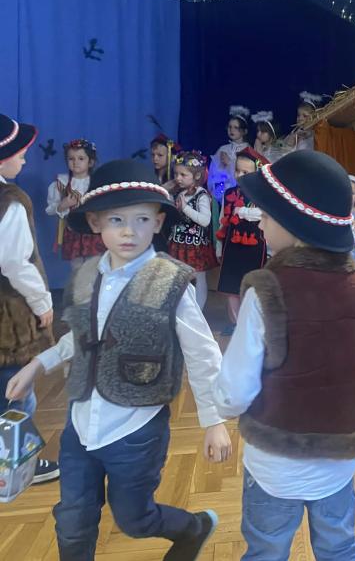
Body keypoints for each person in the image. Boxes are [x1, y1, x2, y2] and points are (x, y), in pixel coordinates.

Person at [6, 159, 232, 561]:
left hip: (136, 429)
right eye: (116, 220)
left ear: (158, 223)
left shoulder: (171, 281)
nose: (129, 231)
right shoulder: (85, 276)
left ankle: (192, 528)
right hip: (80, 424)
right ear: (95, 224)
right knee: (72, 519)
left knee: (134, 518)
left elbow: (203, 354)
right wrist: (38, 364)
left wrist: (213, 421)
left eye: (141, 219)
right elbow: (80, 335)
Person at [213, 150, 355, 560]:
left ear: (292, 224)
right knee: (339, 548)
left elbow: (234, 392)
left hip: (274, 466)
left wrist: (218, 407)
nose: (260, 222)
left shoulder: (266, 291)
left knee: (266, 551)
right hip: (339, 463)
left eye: (266, 214)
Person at [0, 113, 60, 484]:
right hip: (7, 320)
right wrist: (42, 304)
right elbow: (14, 262)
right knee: (16, 392)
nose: (24, 160)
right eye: (20, 154)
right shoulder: (11, 200)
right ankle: (16, 469)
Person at [216, 147, 269, 335]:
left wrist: (243, 211)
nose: (239, 175)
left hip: (255, 247)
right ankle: (236, 323)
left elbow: (262, 215)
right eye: (237, 171)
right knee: (231, 286)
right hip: (232, 245)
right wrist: (219, 247)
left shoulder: (263, 195)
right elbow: (223, 219)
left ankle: (251, 325)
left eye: (245, 172)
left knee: (251, 287)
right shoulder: (229, 193)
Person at [46, 139, 106, 270]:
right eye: (71, 159)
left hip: (94, 231)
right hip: (73, 231)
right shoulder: (61, 183)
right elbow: (50, 209)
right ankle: (77, 283)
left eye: (81, 158)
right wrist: (63, 205)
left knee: (96, 265)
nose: (75, 162)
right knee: (76, 267)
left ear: (90, 162)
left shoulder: (98, 182)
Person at [169, 151, 218, 311]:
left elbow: (205, 220)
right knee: (178, 278)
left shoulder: (201, 195)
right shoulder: (179, 193)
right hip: (178, 242)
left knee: (199, 278)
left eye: (183, 175)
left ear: (197, 175)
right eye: (176, 174)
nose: (178, 178)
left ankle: (198, 311)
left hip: (195, 245)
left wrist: (185, 208)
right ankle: (180, 310)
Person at [208, 105, 251, 202]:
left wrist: (229, 163)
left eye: (236, 127)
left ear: (244, 131)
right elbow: (213, 173)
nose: (232, 130)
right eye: (230, 127)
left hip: (241, 194)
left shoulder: (248, 150)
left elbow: (247, 174)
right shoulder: (223, 149)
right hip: (222, 193)